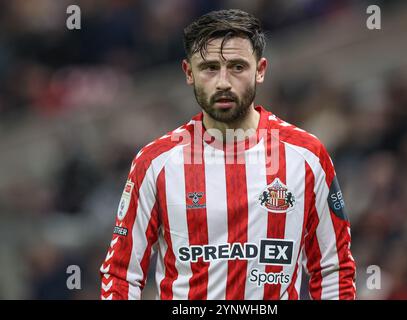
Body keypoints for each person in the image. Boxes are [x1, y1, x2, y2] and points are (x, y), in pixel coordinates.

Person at [100, 9, 356, 300]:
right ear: (188, 73)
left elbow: (333, 270)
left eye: (237, 67)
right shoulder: (155, 163)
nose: (223, 82)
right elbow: (121, 274)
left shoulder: (307, 156)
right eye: (209, 68)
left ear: (260, 70)